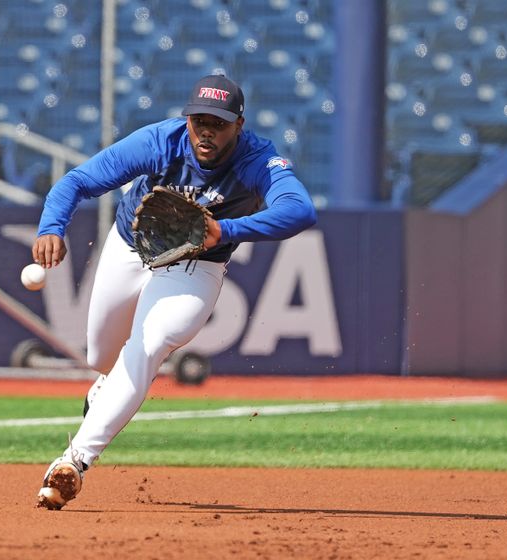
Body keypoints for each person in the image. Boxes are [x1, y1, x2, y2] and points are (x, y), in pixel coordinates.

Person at [33, 74, 317, 509]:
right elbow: (77, 182)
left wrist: (226, 230)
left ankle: (74, 461)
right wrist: (52, 226)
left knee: (150, 342)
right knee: (100, 359)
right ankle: (105, 388)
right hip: (133, 246)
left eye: (217, 123)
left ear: (238, 125)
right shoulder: (159, 141)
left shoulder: (257, 158)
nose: (206, 130)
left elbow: (300, 210)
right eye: (198, 120)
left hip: (197, 263)